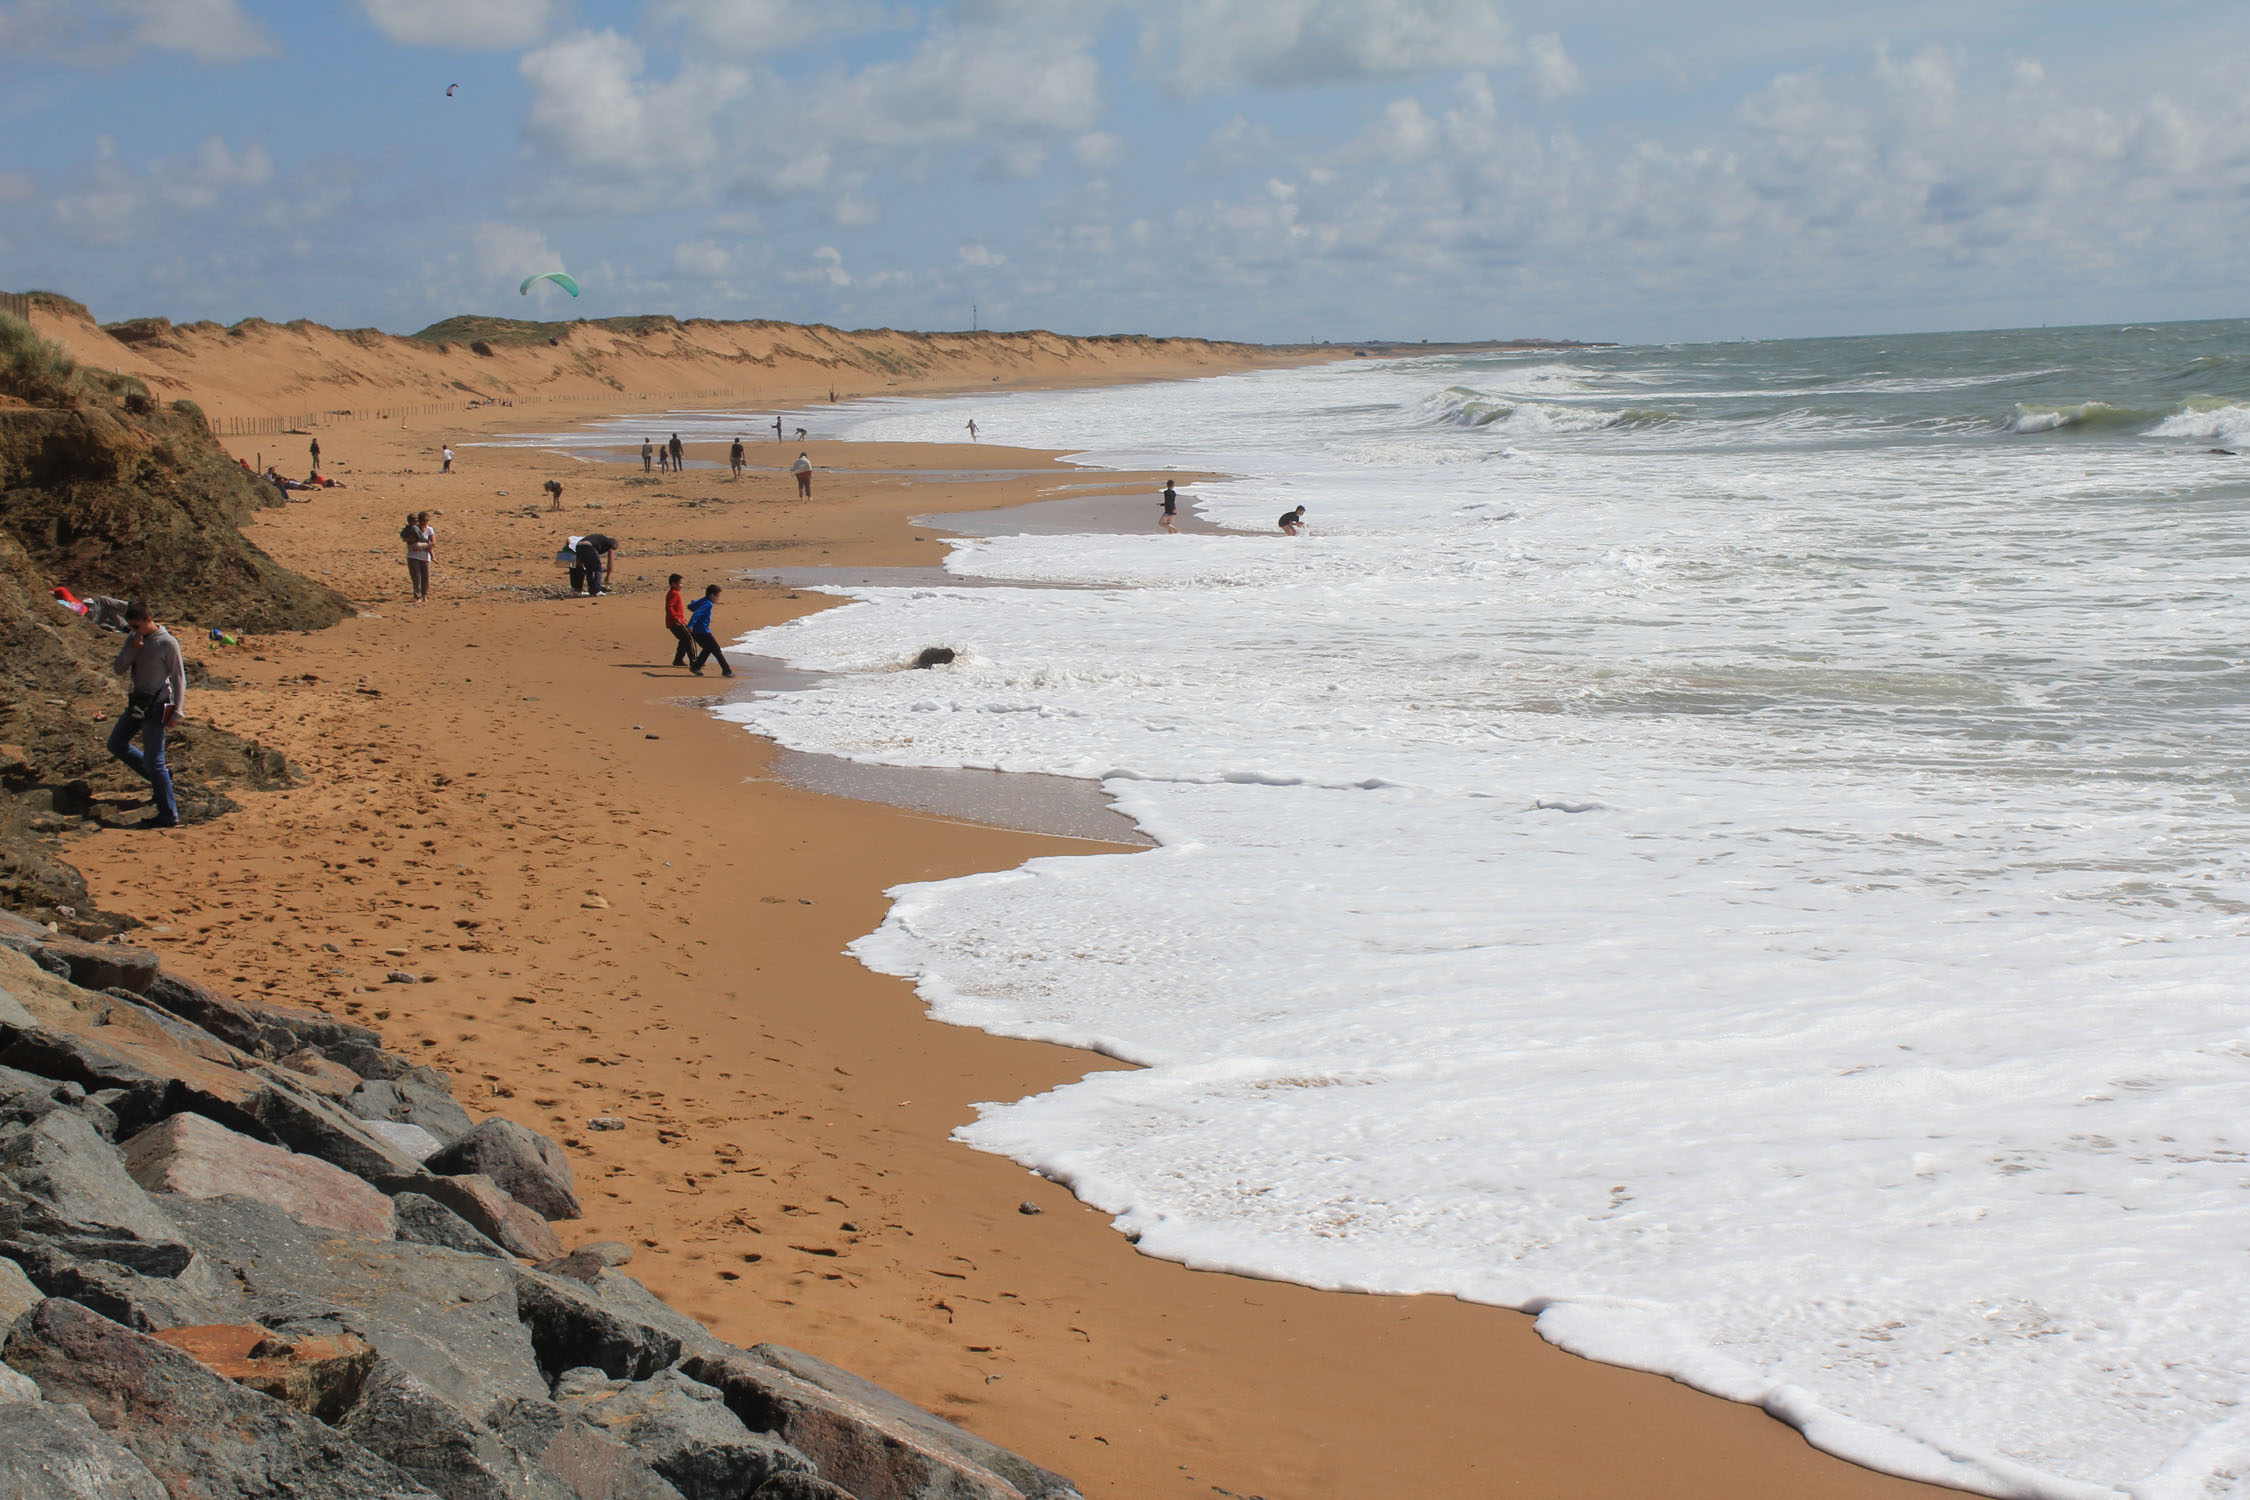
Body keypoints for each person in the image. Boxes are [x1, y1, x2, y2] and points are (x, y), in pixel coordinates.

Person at [108, 601, 183, 829]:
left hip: (158, 705)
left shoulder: (167, 642)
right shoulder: (134, 640)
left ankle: (168, 813)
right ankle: (161, 781)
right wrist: (133, 648)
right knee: (116, 744)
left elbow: (179, 677)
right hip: (137, 704)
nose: (133, 630)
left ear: (148, 620)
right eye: (130, 626)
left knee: (154, 760)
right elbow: (118, 668)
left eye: (136, 625)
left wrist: (177, 711)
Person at [687, 584, 732, 677]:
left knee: (708, 649)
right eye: (718, 596)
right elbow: (696, 613)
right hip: (702, 631)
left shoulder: (703, 601)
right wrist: (690, 625)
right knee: (716, 650)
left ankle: (696, 667)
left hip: (697, 632)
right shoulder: (708, 604)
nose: (718, 599)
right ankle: (726, 670)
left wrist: (693, 603)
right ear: (712, 595)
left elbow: (691, 606)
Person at [402, 511, 434, 601]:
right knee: (416, 578)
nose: (425, 522)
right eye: (423, 520)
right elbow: (406, 539)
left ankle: (424, 595)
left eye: (427, 520)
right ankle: (417, 596)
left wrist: (428, 548)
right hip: (413, 556)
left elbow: (432, 543)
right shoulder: (413, 529)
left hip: (425, 557)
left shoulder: (429, 529)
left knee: (425, 578)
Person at [664, 573, 693, 666]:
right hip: (675, 622)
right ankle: (694, 660)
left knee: (684, 640)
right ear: (673, 584)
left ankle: (678, 660)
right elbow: (669, 607)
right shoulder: (673, 593)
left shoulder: (674, 593)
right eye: (680, 583)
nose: (682, 585)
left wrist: (681, 618)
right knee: (687, 639)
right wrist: (676, 618)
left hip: (677, 621)